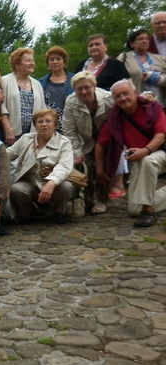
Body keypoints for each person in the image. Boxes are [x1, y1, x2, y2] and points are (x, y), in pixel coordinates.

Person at [95, 79, 166, 227]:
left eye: (125, 93)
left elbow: (161, 135)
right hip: (138, 160)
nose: (122, 98)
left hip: (160, 152)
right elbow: (100, 145)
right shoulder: (115, 118)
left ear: (135, 93)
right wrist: (100, 171)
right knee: (134, 210)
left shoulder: (153, 107)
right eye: (118, 96)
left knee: (148, 160)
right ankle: (145, 206)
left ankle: (148, 211)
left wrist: (145, 150)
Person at [6, 109, 74, 224]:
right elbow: (8, 154)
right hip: (31, 184)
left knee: (66, 187)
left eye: (48, 121)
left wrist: (51, 184)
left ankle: (59, 212)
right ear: (35, 125)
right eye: (40, 121)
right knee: (16, 189)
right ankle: (27, 212)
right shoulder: (25, 139)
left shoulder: (64, 142)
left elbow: (64, 166)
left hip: (53, 185)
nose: (44, 124)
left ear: (55, 125)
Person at [61, 72, 114, 214]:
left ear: (94, 86)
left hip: (107, 140)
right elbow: (69, 129)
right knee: (87, 167)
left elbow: (129, 98)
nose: (83, 91)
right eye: (79, 89)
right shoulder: (71, 102)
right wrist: (77, 151)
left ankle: (102, 199)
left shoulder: (108, 98)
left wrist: (146, 94)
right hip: (86, 141)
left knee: (102, 169)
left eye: (86, 87)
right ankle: (88, 200)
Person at [2, 47, 46, 144]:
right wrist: (8, 130)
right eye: (28, 60)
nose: (32, 63)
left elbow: (43, 110)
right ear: (17, 64)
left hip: (33, 135)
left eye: (33, 61)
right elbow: (1, 108)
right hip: (12, 135)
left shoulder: (37, 84)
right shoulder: (5, 81)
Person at [118, 29, 166, 104]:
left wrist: (156, 78)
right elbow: (117, 80)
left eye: (146, 39)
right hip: (136, 104)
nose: (144, 41)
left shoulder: (160, 59)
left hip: (160, 104)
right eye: (140, 39)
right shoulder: (124, 58)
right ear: (132, 44)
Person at [39, 46, 74, 131]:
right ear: (48, 63)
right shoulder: (40, 82)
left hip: (70, 124)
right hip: (47, 126)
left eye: (58, 59)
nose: (55, 62)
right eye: (51, 59)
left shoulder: (74, 80)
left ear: (64, 62)